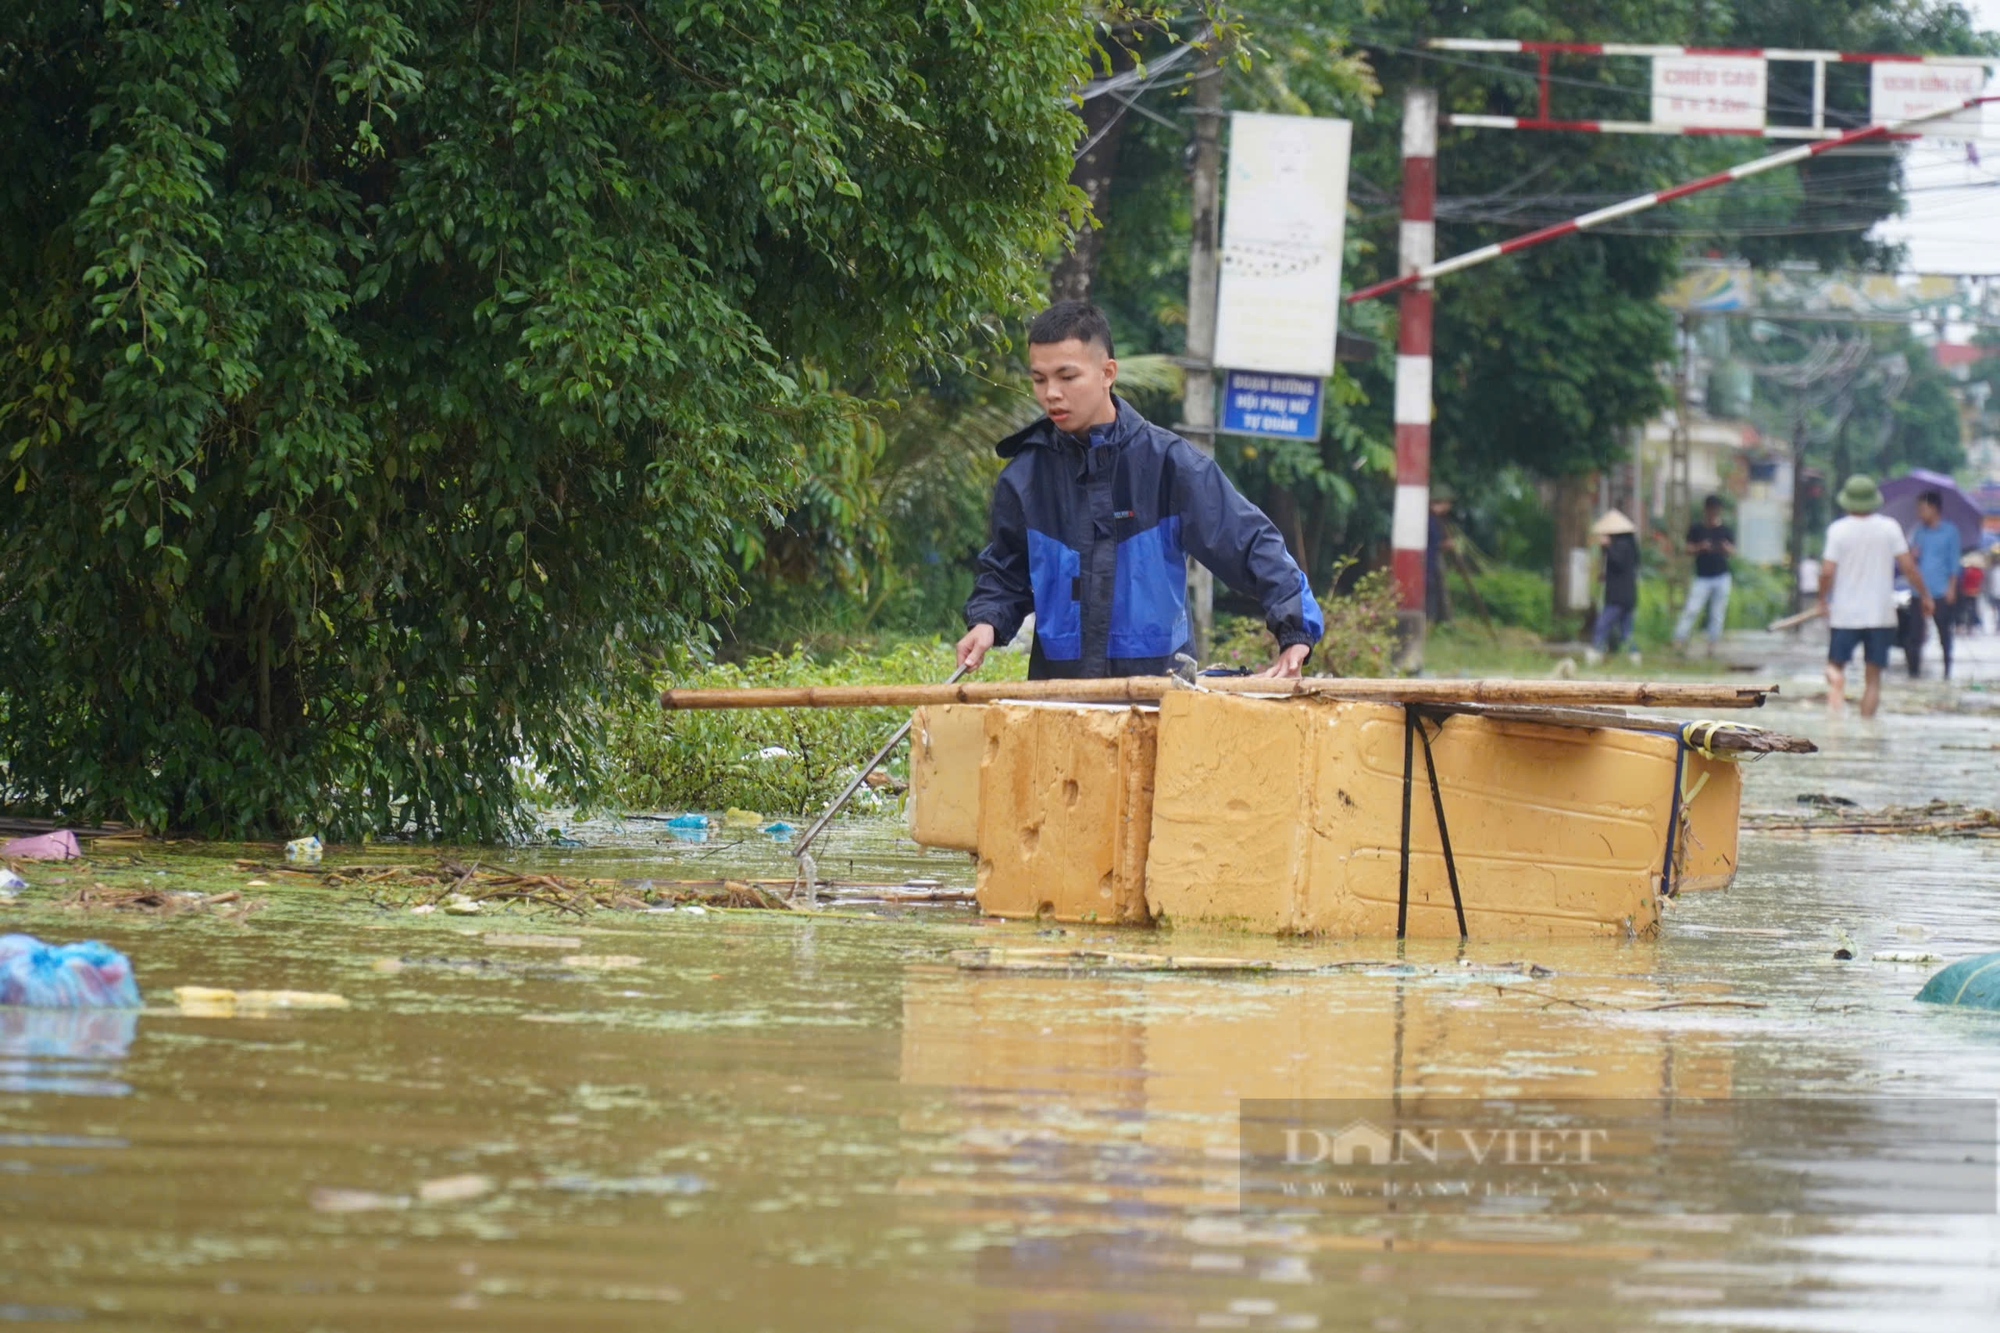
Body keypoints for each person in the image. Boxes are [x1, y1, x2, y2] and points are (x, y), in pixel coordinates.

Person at [957, 301, 1323, 680]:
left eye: (1067, 377)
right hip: (1058, 705)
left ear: (1107, 373)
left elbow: (1249, 541)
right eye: (1039, 379)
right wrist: (986, 621)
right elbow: (1004, 573)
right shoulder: (1024, 478)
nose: (1051, 393)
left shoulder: (1170, 465)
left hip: (1161, 703)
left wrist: (1295, 630)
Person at [1820, 474, 1933, 718]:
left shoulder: (1838, 530)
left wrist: (1821, 600)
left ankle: (1836, 687)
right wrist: (1925, 595)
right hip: (1880, 614)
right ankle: (1866, 728)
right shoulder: (1889, 528)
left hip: (1845, 615)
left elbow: (1827, 571)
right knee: (1873, 680)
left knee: (1834, 665)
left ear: (1847, 501)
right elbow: (1909, 567)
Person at [1907, 490, 1962, 679]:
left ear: (1934, 509)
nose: (1919, 513)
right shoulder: (1918, 532)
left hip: (1941, 589)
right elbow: (1912, 562)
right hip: (1919, 591)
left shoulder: (1950, 531)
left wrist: (1952, 588)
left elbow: (1954, 562)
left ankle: (1947, 670)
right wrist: (1912, 556)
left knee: (1944, 633)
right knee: (1914, 635)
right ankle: (1913, 673)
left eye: (1923, 509)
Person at [1672, 494, 1734, 654]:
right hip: (1702, 577)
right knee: (1692, 609)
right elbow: (1687, 548)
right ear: (1705, 510)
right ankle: (1679, 639)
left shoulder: (1725, 530)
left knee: (1717, 613)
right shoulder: (1697, 529)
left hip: (1721, 576)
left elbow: (1732, 551)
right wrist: (1701, 547)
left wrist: (1726, 548)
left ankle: (1712, 645)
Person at [1585, 509, 1641, 666]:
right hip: (1627, 596)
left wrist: (1607, 547)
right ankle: (1634, 655)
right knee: (1625, 632)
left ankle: (1595, 652)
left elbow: (1617, 562)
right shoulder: (1630, 546)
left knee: (1602, 625)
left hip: (1618, 597)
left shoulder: (1622, 546)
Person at [1425, 488, 1455, 625]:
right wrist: (1444, 545)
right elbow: (1431, 542)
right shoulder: (1429, 519)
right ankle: (1431, 620)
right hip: (1428, 561)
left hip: (1432, 559)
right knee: (1431, 590)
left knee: (1436, 589)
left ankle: (1437, 620)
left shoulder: (1438, 519)